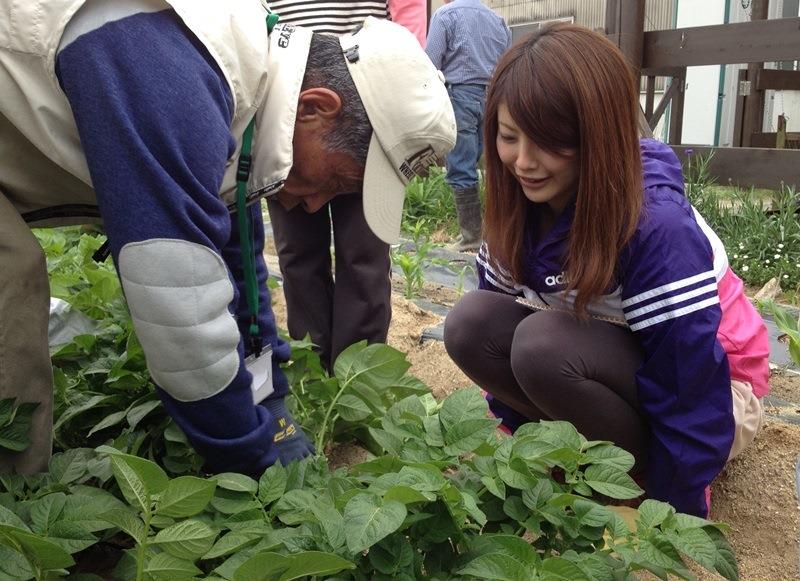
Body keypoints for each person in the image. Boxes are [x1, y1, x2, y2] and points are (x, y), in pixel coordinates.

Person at [0, 0, 455, 475]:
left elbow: (240, 268)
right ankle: (20, 506)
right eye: (338, 182)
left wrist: (270, 401)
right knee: (10, 279)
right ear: (315, 108)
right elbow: (179, 312)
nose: (319, 205)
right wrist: (250, 459)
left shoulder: (248, 88)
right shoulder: (169, 67)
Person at [443, 23, 769, 517]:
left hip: (719, 390)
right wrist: (518, 447)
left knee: (542, 346)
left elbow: (688, 374)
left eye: (550, 142)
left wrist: (675, 504)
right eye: (509, 138)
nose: (524, 162)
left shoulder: (653, 224)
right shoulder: (521, 200)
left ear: (598, 136)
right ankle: (561, 456)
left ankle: (631, 477)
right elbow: (492, 330)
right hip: (606, 358)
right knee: (471, 323)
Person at [265, 0, 427, 370]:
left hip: (367, 111)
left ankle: (359, 379)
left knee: (364, 254)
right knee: (298, 253)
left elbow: (409, 16)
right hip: (287, 108)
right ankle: (315, 372)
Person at [426, 0, 510, 252]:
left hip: (461, 96)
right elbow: (508, 62)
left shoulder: (445, 15)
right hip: (496, 98)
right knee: (498, 166)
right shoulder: (497, 21)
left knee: (461, 167)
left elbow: (430, 63)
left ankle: (472, 237)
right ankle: (501, 235)